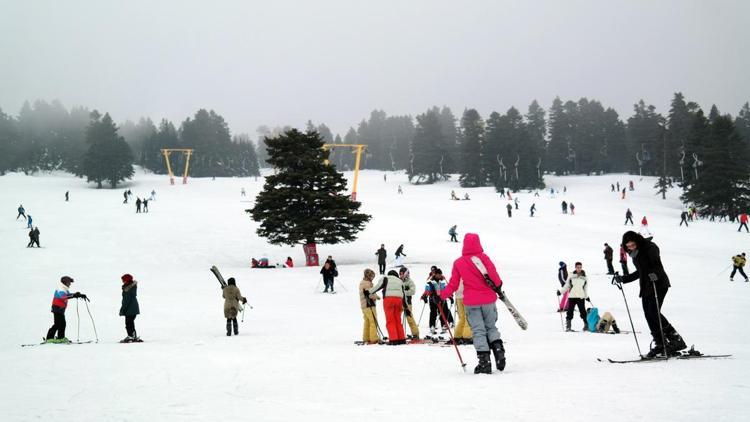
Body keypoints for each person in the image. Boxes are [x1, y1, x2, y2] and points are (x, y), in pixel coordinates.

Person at [438, 233, 505, 374]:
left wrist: (442, 296)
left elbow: (453, 284)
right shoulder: (484, 258)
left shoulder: (459, 262)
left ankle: (484, 362)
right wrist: (498, 286)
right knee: (491, 327)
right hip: (488, 300)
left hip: (471, 302)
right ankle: (498, 351)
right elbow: (494, 276)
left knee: (478, 331)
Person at [616, 231, 687, 358]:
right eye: (628, 246)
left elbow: (655, 263)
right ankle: (660, 343)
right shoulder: (634, 254)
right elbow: (640, 272)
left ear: (637, 241)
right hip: (646, 286)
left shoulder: (650, 247)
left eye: (633, 245)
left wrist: (654, 274)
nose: (631, 248)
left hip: (658, 283)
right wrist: (624, 279)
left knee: (654, 311)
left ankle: (676, 340)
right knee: (648, 314)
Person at [367, 270, 407, 345]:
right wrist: (406, 306)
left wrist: (369, 292)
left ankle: (393, 339)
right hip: (399, 300)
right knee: (397, 320)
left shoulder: (385, 278)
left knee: (390, 320)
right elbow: (403, 294)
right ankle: (401, 339)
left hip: (389, 300)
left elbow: (377, 287)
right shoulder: (400, 281)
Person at [46, 276, 88, 343]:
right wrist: (74, 296)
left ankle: (61, 337)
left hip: (61, 309)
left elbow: (68, 294)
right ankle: (49, 338)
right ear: (65, 282)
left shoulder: (64, 288)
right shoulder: (60, 288)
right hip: (57, 308)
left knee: (63, 324)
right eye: (69, 282)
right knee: (57, 324)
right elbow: (63, 296)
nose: (70, 284)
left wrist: (78, 295)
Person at [557, 262, 591, 332]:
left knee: (583, 312)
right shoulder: (571, 276)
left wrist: (586, 296)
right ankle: (568, 327)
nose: (579, 269)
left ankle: (586, 326)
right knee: (570, 311)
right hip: (572, 296)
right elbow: (567, 286)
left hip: (580, 297)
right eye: (578, 267)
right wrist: (560, 292)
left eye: (580, 267)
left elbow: (585, 289)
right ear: (575, 267)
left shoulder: (584, 277)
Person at [421, 268, 453, 336]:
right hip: (433, 299)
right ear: (435, 274)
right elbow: (427, 290)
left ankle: (443, 325)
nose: (439, 276)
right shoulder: (430, 281)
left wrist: (450, 296)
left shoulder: (443, 280)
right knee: (433, 312)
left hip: (442, 299)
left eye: (440, 274)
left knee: (443, 312)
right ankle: (432, 326)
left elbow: (447, 289)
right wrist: (425, 296)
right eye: (438, 274)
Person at [359, 269, 381, 344]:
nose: (372, 278)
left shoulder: (362, 282)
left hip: (364, 306)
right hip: (369, 305)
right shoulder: (367, 283)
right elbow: (370, 293)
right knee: (373, 321)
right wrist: (377, 297)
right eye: (372, 276)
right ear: (368, 276)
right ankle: (373, 338)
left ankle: (366, 337)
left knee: (367, 321)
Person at [399, 267, 420, 340]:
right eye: (400, 274)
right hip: (399, 302)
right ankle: (399, 334)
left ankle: (415, 333)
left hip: (407, 303)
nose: (401, 275)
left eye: (402, 274)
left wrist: (404, 292)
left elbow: (412, 291)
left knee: (409, 318)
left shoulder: (410, 282)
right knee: (397, 318)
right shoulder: (398, 281)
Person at [119, 274, 142, 342]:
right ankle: (133, 336)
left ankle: (131, 336)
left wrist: (122, 310)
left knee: (129, 323)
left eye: (123, 280)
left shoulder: (128, 289)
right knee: (130, 323)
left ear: (127, 280)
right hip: (133, 308)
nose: (122, 281)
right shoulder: (130, 288)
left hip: (130, 309)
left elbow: (126, 301)